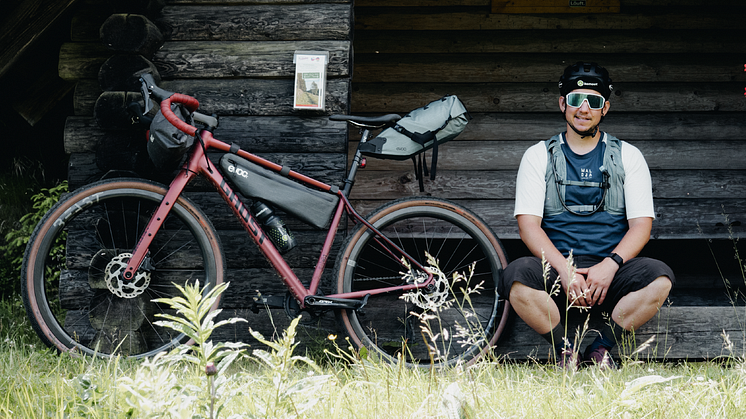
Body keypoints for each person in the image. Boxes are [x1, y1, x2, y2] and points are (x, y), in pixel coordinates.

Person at [498, 62, 675, 370]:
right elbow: (528, 227)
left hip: (610, 276)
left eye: (593, 101)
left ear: (604, 108)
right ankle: (566, 351)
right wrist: (565, 271)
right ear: (562, 103)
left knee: (660, 278)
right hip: (557, 277)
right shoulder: (538, 155)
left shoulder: (627, 156)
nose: (583, 108)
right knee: (515, 277)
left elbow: (641, 227)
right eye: (575, 99)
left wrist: (610, 266)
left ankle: (602, 348)